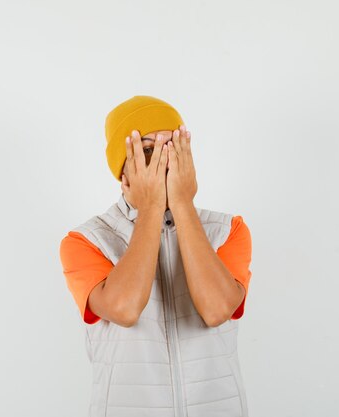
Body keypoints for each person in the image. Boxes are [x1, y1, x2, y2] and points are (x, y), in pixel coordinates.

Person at [59, 95, 252, 416]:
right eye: (147, 149)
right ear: (122, 170)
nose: (164, 159)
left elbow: (217, 309)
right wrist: (150, 206)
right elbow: (124, 309)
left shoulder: (228, 229)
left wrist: (183, 205)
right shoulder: (86, 240)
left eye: (172, 145)